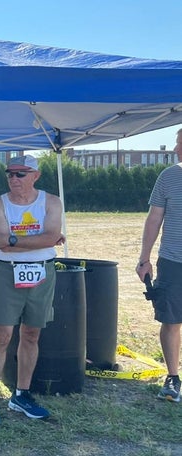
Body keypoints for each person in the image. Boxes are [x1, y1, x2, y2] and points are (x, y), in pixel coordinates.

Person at [0, 155, 64, 425]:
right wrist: (38, 240)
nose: (14, 179)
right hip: (7, 271)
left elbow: (47, 236)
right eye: (10, 174)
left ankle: (22, 393)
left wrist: (13, 238)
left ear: (35, 175)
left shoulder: (51, 202)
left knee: (31, 334)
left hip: (42, 271)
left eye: (21, 174)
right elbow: (1, 243)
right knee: (1, 335)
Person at [137, 127, 182, 403]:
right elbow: (154, 219)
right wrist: (144, 259)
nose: (177, 149)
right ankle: (173, 376)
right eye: (178, 143)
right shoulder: (168, 176)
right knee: (171, 319)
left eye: (181, 144)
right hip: (172, 261)